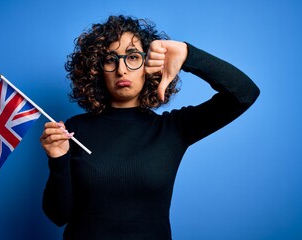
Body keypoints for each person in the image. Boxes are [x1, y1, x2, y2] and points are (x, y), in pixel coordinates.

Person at [40, 15, 260, 240]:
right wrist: (57, 159)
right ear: (97, 69)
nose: (122, 70)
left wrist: (188, 55)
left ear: (149, 64)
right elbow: (58, 215)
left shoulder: (173, 129)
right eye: (110, 59)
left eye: (133, 57)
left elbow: (245, 94)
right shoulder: (74, 130)